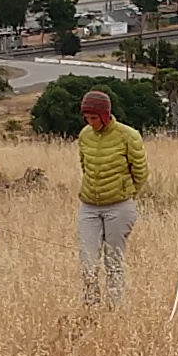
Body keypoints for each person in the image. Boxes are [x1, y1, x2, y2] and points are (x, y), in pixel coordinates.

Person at [72, 88, 149, 302]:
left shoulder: (128, 136)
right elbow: (84, 165)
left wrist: (126, 193)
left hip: (119, 206)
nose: (90, 122)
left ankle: (116, 307)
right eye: (87, 118)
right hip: (89, 206)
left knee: (114, 260)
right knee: (87, 260)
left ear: (105, 115)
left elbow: (141, 172)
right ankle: (91, 305)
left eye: (94, 118)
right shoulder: (84, 135)